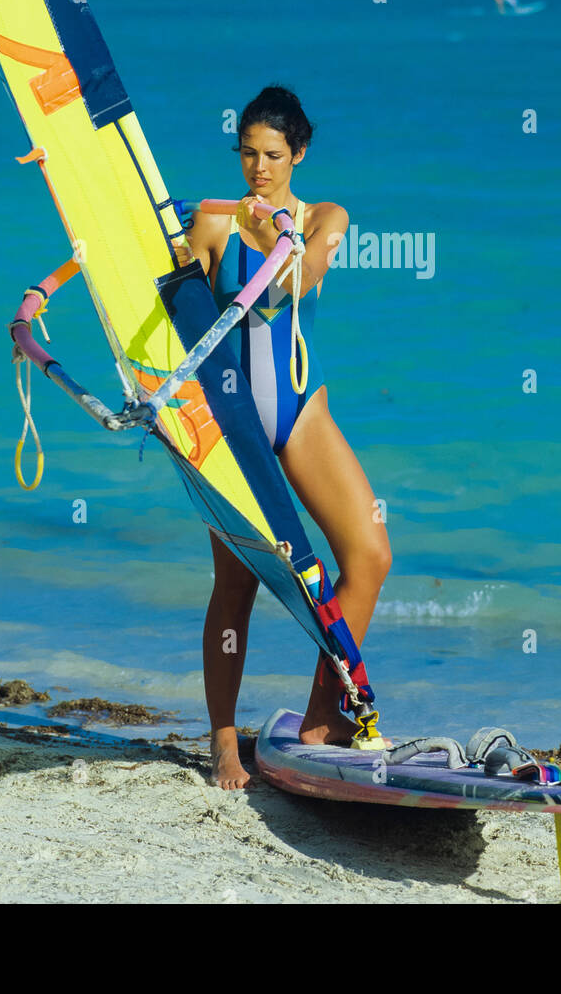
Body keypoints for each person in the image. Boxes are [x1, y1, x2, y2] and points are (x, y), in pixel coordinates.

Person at [185, 85, 391, 789]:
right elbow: (157, 299)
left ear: (297, 153)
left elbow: (303, 277)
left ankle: (322, 721)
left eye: (272, 154)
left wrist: (278, 230)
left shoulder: (323, 217)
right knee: (234, 583)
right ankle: (220, 738)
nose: (258, 168)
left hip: (302, 414)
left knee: (368, 553)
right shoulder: (212, 224)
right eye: (247, 154)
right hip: (231, 427)